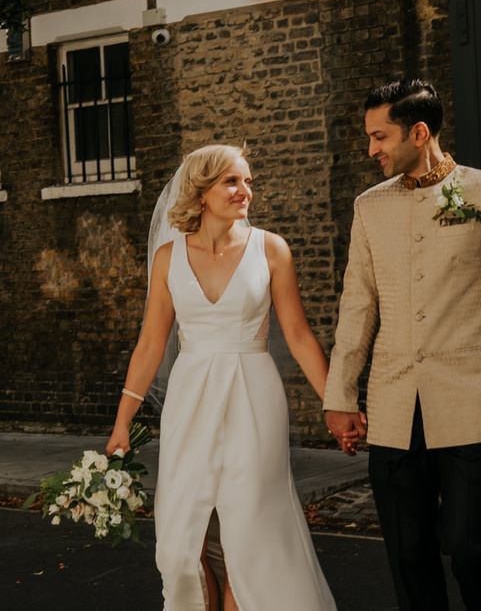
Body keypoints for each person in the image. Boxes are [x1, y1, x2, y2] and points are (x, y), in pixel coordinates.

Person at [323, 79, 481, 610]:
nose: (371, 149)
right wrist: (341, 395)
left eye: (380, 137)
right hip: (394, 404)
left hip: (469, 399)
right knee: (408, 554)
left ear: (418, 132)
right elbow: (357, 308)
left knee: (470, 547)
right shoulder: (368, 207)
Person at [106, 144, 344, 611]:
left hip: (253, 397)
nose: (245, 191)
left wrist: (337, 402)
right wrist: (122, 423)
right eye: (232, 181)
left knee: (250, 535)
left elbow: (297, 335)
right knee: (179, 545)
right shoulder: (168, 258)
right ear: (201, 190)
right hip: (190, 398)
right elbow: (151, 344)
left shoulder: (271, 250)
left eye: (248, 181)